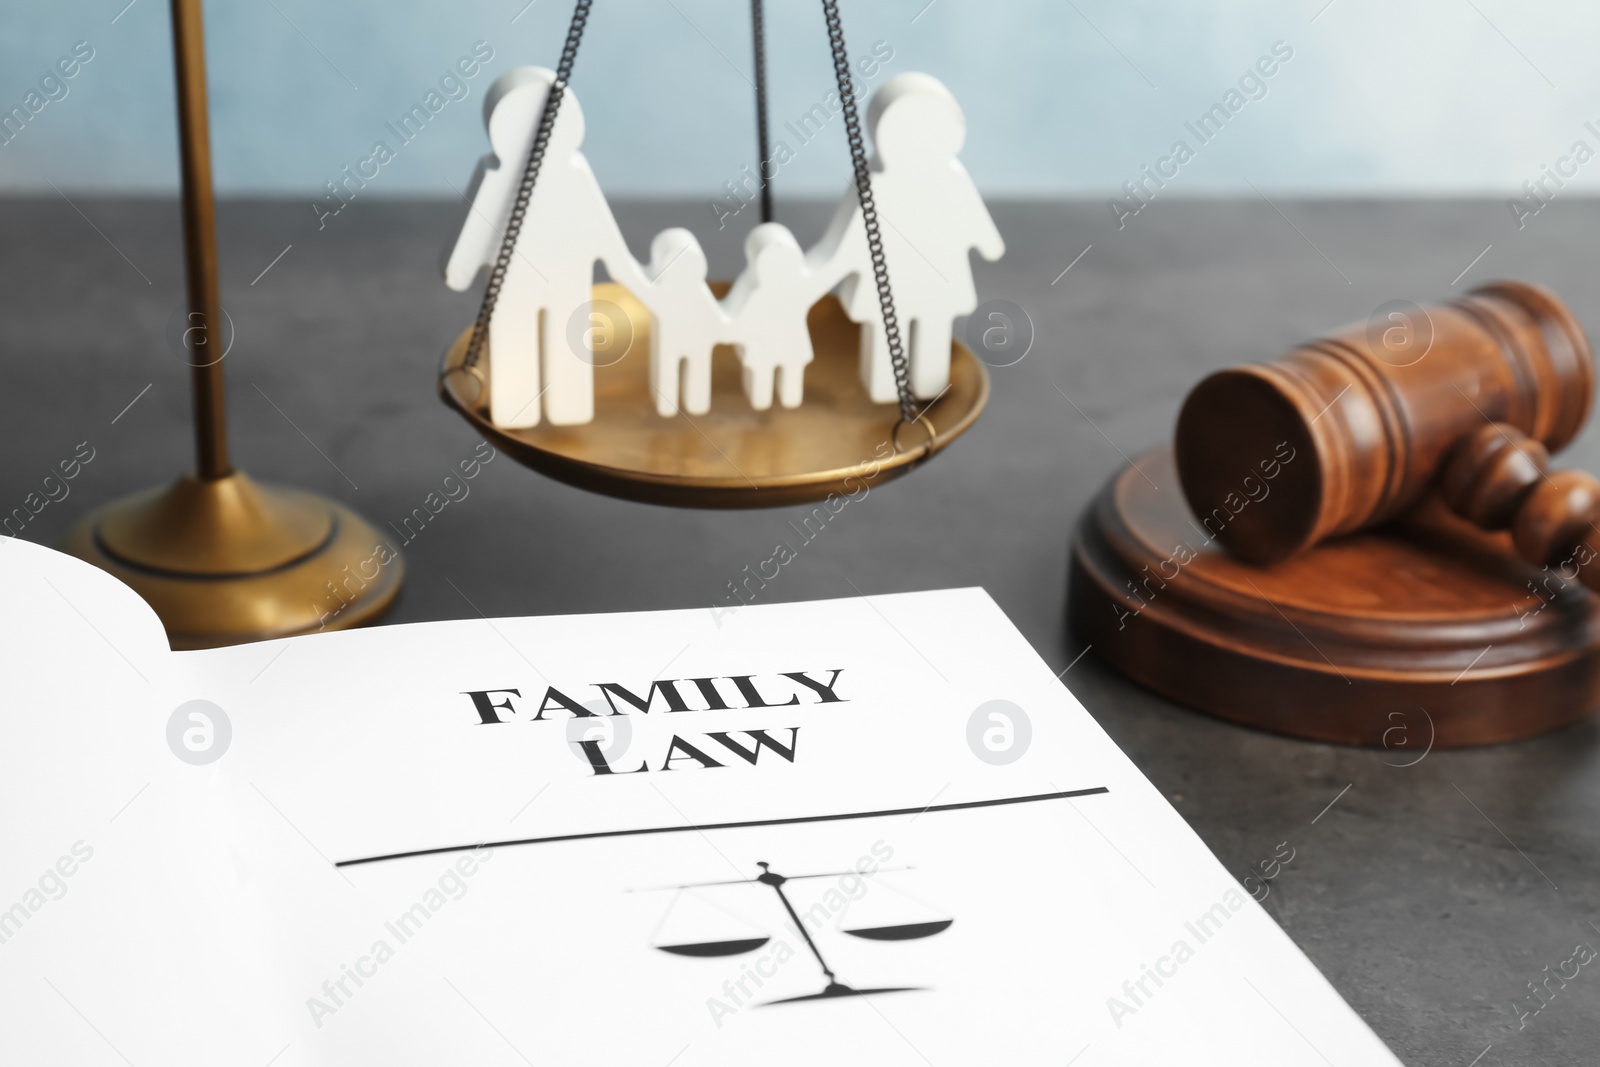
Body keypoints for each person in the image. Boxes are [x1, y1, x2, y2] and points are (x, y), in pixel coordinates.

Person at [442, 67, 649, 428]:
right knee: (515, 338)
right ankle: (517, 405)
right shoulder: (497, 178)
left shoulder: (575, 176)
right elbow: (476, 226)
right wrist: (459, 267)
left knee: (568, 345)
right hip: (514, 284)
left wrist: (626, 270)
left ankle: (566, 403)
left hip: (566, 280)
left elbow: (602, 231)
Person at [808, 72, 1005, 403]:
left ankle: (929, 383)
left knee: (933, 328)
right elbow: (850, 237)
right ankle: (887, 386)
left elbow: (975, 221)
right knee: (890, 328)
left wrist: (988, 243)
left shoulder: (952, 179)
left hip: (937, 276)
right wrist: (828, 268)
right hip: (891, 281)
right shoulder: (876, 182)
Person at [723, 224, 838, 411]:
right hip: (765, 345)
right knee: (762, 379)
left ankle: (786, 398)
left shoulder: (798, 287)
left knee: (790, 377)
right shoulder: (755, 291)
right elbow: (738, 316)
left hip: (789, 344)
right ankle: (763, 400)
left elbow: (827, 274)